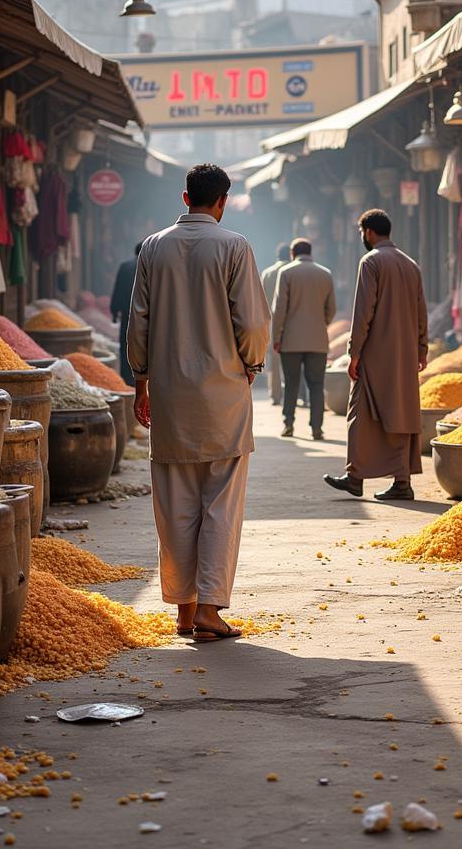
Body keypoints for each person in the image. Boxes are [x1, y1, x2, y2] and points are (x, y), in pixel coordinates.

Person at [127, 164, 270, 641]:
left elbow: (138, 323)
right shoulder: (234, 246)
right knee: (220, 506)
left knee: (175, 506)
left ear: (185, 197)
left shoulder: (152, 247)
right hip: (223, 395)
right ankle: (209, 609)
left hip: (169, 396)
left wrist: (140, 382)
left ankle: (185, 610)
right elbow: (251, 324)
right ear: (222, 201)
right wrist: (251, 365)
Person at [324, 209, 427, 501]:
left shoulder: (370, 262)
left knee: (360, 412)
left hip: (376, 353)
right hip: (405, 355)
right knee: (401, 415)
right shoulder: (411, 265)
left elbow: (363, 311)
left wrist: (353, 353)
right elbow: (421, 313)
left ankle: (355, 477)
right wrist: (422, 349)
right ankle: (402, 482)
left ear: (368, 232)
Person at [272, 238, 336, 440]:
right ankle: (316, 428)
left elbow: (279, 308)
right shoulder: (325, 274)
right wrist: (321, 323)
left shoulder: (287, 273)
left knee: (291, 383)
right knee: (316, 384)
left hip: (290, 339)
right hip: (318, 340)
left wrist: (276, 336)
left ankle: (288, 424)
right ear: (311, 252)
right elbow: (331, 308)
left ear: (292, 253)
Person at [260, 242, 289, 406]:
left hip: (272, 323)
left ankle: (276, 395)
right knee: (293, 360)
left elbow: (262, 301)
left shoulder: (267, 273)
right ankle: (295, 394)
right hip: (291, 322)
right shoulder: (293, 270)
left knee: (274, 361)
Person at [110, 243, 141, 386]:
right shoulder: (152, 266)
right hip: (146, 315)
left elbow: (118, 289)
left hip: (127, 314)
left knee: (125, 345)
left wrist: (114, 311)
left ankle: (127, 379)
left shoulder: (125, 266)